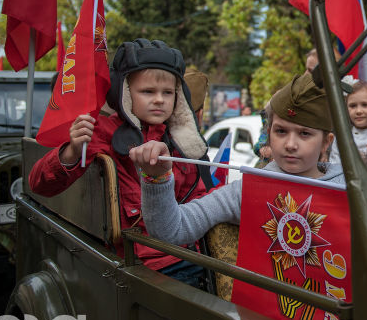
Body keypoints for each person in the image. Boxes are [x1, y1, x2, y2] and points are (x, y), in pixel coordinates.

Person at [29, 39, 211, 284]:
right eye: (148, 91)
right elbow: (40, 184)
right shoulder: (101, 133)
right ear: (124, 92)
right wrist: (72, 151)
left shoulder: (180, 141)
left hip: (188, 254)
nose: (159, 100)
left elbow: (197, 197)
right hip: (139, 265)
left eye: (168, 93)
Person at [130, 73, 344, 245]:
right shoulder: (248, 189)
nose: (290, 144)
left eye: (304, 134)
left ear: (326, 142)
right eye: (280, 131)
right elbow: (172, 230)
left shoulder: (348, 190)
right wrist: (156, 178)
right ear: (268, 134)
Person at [329, 79, 367, 169]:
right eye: (353, 106)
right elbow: (334, 169)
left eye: (365, 105)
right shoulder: (341, 139)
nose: (358, 111)